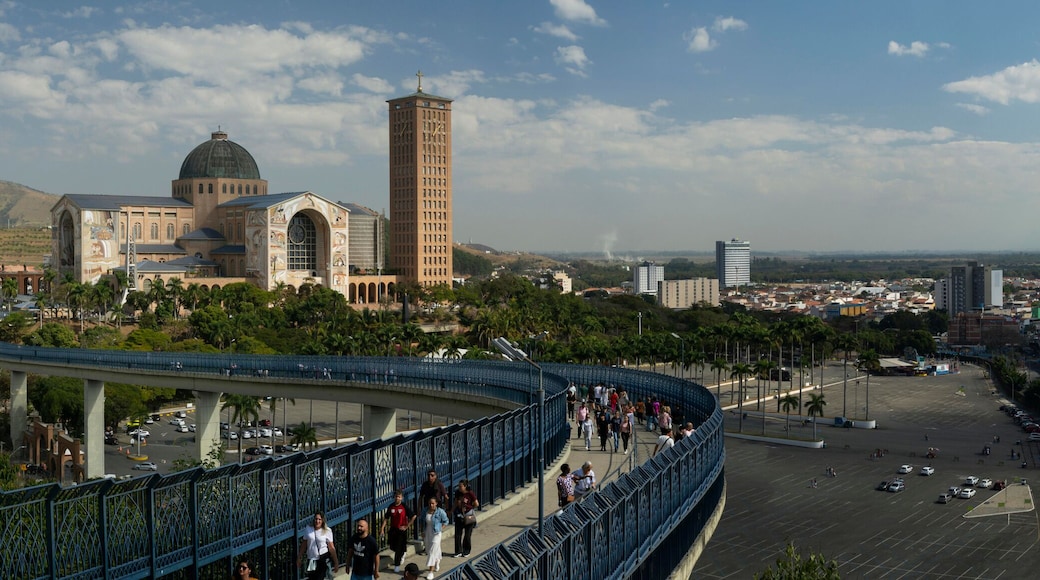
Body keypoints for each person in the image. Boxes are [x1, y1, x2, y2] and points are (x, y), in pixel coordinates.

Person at [380, 490, 416, 573]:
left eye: (399, 497)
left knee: (398, 548)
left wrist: (407, 526)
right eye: (396, 496)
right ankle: (403, 552)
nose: (397, 498)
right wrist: (382, 529)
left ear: (401, 498)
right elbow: (386, 518)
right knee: (392, 546)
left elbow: (413, 516)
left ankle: (397, 565)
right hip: (393, 529)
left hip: (401, 530)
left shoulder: (404, 506)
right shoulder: (391, 506)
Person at [297, 511, 339, 580]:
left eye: (319, 519)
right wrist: (299, 557)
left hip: (323, 558)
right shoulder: (308, 528)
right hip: (312, 559)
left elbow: (331, 547)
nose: (317, 521)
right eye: (316, 519)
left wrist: (336, 562)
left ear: (322, 521)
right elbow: (304, 544)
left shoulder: (327, 530)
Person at [418, 470, 448, 551]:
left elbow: (445, 496)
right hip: (427, 508)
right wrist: (419, 508)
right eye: (428, 475)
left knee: (435, 526)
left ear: (435, 476)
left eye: (432, 475)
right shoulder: (425, 485)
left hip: (436, 509)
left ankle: (435, 545)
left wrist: (447, 507)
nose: (430, 477)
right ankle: (427, 545)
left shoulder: (439, 484)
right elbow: (421, 497)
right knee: (426, 525)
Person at [422, 497, 450, 579]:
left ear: (436, 503)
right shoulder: (425, 510)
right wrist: (422, 531)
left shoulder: (440, 511)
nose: (431, 505)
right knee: (428, 550)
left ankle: (430, 572)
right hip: (427, 532)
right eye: (430, 503)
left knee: (432, 552)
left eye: (433, 503)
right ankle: (437, 560)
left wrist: (441, 528)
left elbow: (446, 521)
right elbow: (422, 521)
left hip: (436, 534)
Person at [453, 479, 479, 558]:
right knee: (458, 534)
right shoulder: (458, 493)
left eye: (461, 486)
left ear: (465, 486)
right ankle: (458, 551)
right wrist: (452, 510)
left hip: (468, 515)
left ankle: (466, 550)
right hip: (459, 515)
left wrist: (469, 507)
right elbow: (455, 502)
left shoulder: (470, 493)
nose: (459, 488)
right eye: (459, 486)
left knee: (467, 535)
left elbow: (476, 503)